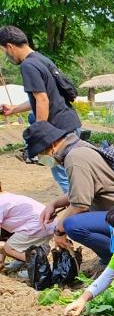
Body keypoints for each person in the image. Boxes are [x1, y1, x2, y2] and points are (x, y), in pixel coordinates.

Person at [23, 121, 114, 265]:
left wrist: (58, 232)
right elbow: (81, 190)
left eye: (41, 154)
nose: (42, 159)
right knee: (71, 221)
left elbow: (80, 205)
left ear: (52, 144)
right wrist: (54, 204)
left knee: (72, 224)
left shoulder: (74, 158)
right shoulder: (80, 147)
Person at [0, 25, 81, 193]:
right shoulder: (42, 59)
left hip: (58, 132)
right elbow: (43, 98)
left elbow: (42, 100)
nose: (6, 56)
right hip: (70, 125)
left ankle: (80, 212)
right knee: (75, 174)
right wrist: (13, 109)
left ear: (9, 46)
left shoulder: (27, 66)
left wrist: (40, 135)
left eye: (3, 51)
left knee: (64, 178)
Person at [0, 179, 54, 266]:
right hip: (47, 224)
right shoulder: (6, 196)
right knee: (6, 235)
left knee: (8, 248)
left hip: (37, 227)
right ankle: (26, 260)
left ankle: (38, 265)